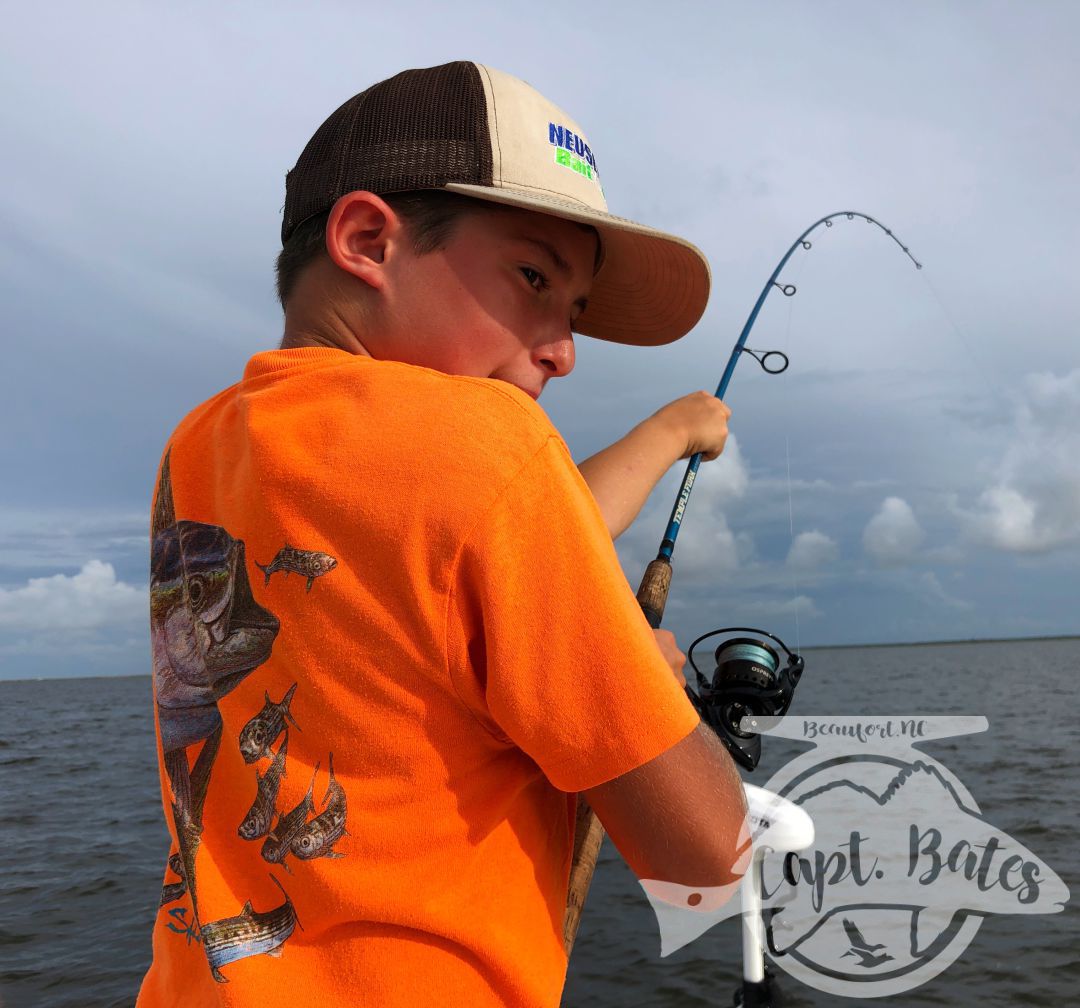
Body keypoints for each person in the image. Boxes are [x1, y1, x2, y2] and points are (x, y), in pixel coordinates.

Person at [137, 61, 747, 1008]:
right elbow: (709, 865)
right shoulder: (494, 444)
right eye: (534, 276)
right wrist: (636, 673)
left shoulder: (201, 447)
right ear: (367, 239)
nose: (565, 349)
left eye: (575, 309)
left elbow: (466, 547)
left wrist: (666, 433)